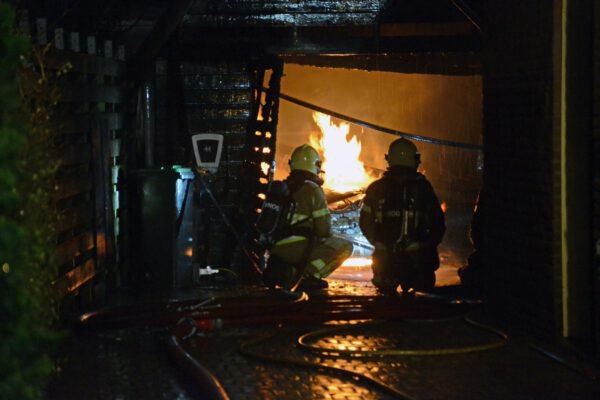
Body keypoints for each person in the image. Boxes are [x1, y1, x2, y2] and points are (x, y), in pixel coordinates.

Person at [359, 138, 445, 295]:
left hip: (386, 260)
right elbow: (438, 222)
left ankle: (385, 282)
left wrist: (378, 242)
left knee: (384, 295)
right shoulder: (423, 188)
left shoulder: (376, 188)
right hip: (417, 259)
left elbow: (365, 222)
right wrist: (427, 244)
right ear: (414, 159)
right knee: (422, 295)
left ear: (389, 159)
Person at [263, 144, 353, 290]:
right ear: (314, 165)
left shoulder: (283, 187)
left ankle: (287, 270)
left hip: (275, 249)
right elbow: (324, 230)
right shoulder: (313, 190)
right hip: (298, 249)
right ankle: (307, 276)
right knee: (345, 246)